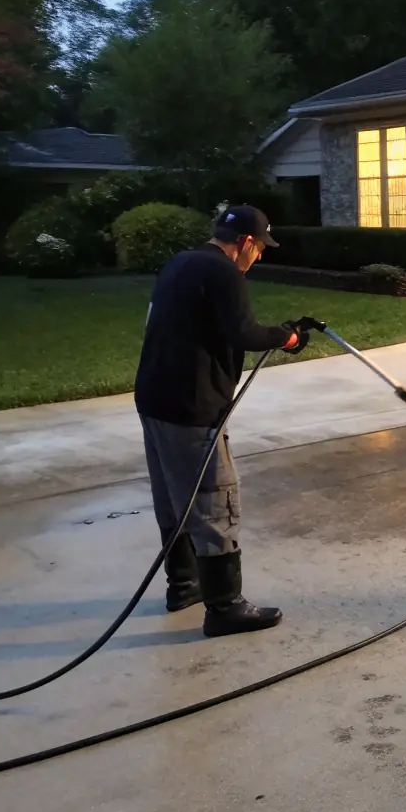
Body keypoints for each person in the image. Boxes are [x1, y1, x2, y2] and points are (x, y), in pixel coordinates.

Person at [133, 204, 311, 637]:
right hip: (193, 407)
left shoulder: (180, 263)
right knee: (213, 500)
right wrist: (287, 337)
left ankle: (185, 586)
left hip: (155, 400)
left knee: (175, 498)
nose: (261, 256)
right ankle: (226, 607)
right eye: (260, 247)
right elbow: (243, 334)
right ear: (245, 243)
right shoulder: (224, 274)